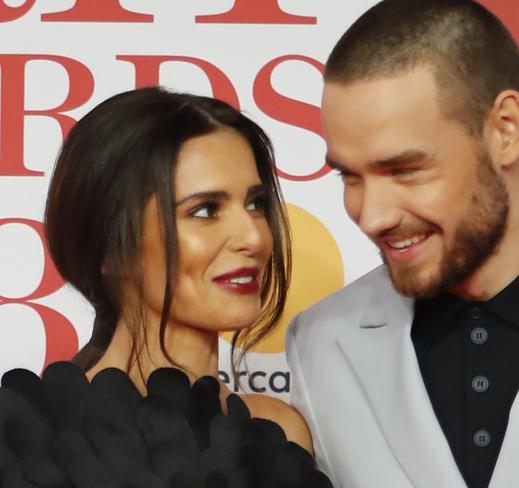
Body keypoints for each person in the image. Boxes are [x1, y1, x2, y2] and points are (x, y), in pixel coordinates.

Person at [286, 1, 519, 487]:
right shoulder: (321, 343)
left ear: (505, 130)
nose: (371, 215)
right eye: (351, 175)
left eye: (405, 170)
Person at [0, 87, 332, 488]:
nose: (254, 237)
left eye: (255, 204)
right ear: (112, 245)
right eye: (205, 210)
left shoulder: (279, 432)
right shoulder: (25, 439)